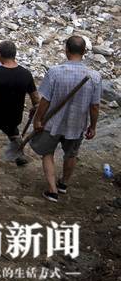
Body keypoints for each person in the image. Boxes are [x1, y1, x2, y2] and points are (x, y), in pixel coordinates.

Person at [31, 35, 102, 202]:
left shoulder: (55, 72)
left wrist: (37, 119)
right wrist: (93, 126)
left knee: (47, 152)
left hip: (53, 123)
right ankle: (63, 184)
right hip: (77, 124)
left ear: (66, 50)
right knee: (71, 154)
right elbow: (95, 106)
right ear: (84, 52)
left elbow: (45, 100)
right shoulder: (95, 76)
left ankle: (52, 190)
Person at [0, 41, 40, 175]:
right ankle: (19, 155)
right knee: (13, 132)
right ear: (14, 55)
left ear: (1, 55)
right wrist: (36, 108)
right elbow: (35, 97)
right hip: (14, 115)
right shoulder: (25, 74)